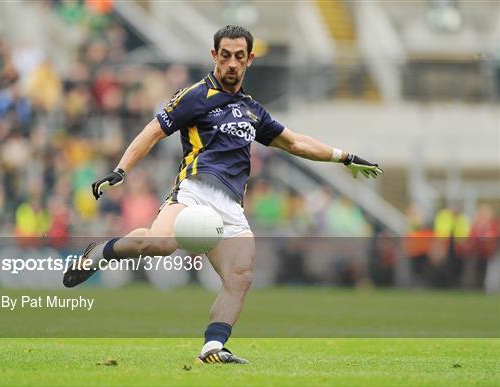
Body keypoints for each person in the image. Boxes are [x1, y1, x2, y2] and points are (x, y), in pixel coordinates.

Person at [63, 25, 383, 364]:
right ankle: (100, 252)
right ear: (215, 56)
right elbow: (154, 131)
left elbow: (295, 142)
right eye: (225, 55)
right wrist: (121, 170)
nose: (232, 63)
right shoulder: (196, 96)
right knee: (159, 244)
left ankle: (212, 347)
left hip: (230, 207)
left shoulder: (253, 111)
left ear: (249, 60)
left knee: (240, 276)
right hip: (195, 190)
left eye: (239, 57)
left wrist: (343, 156)